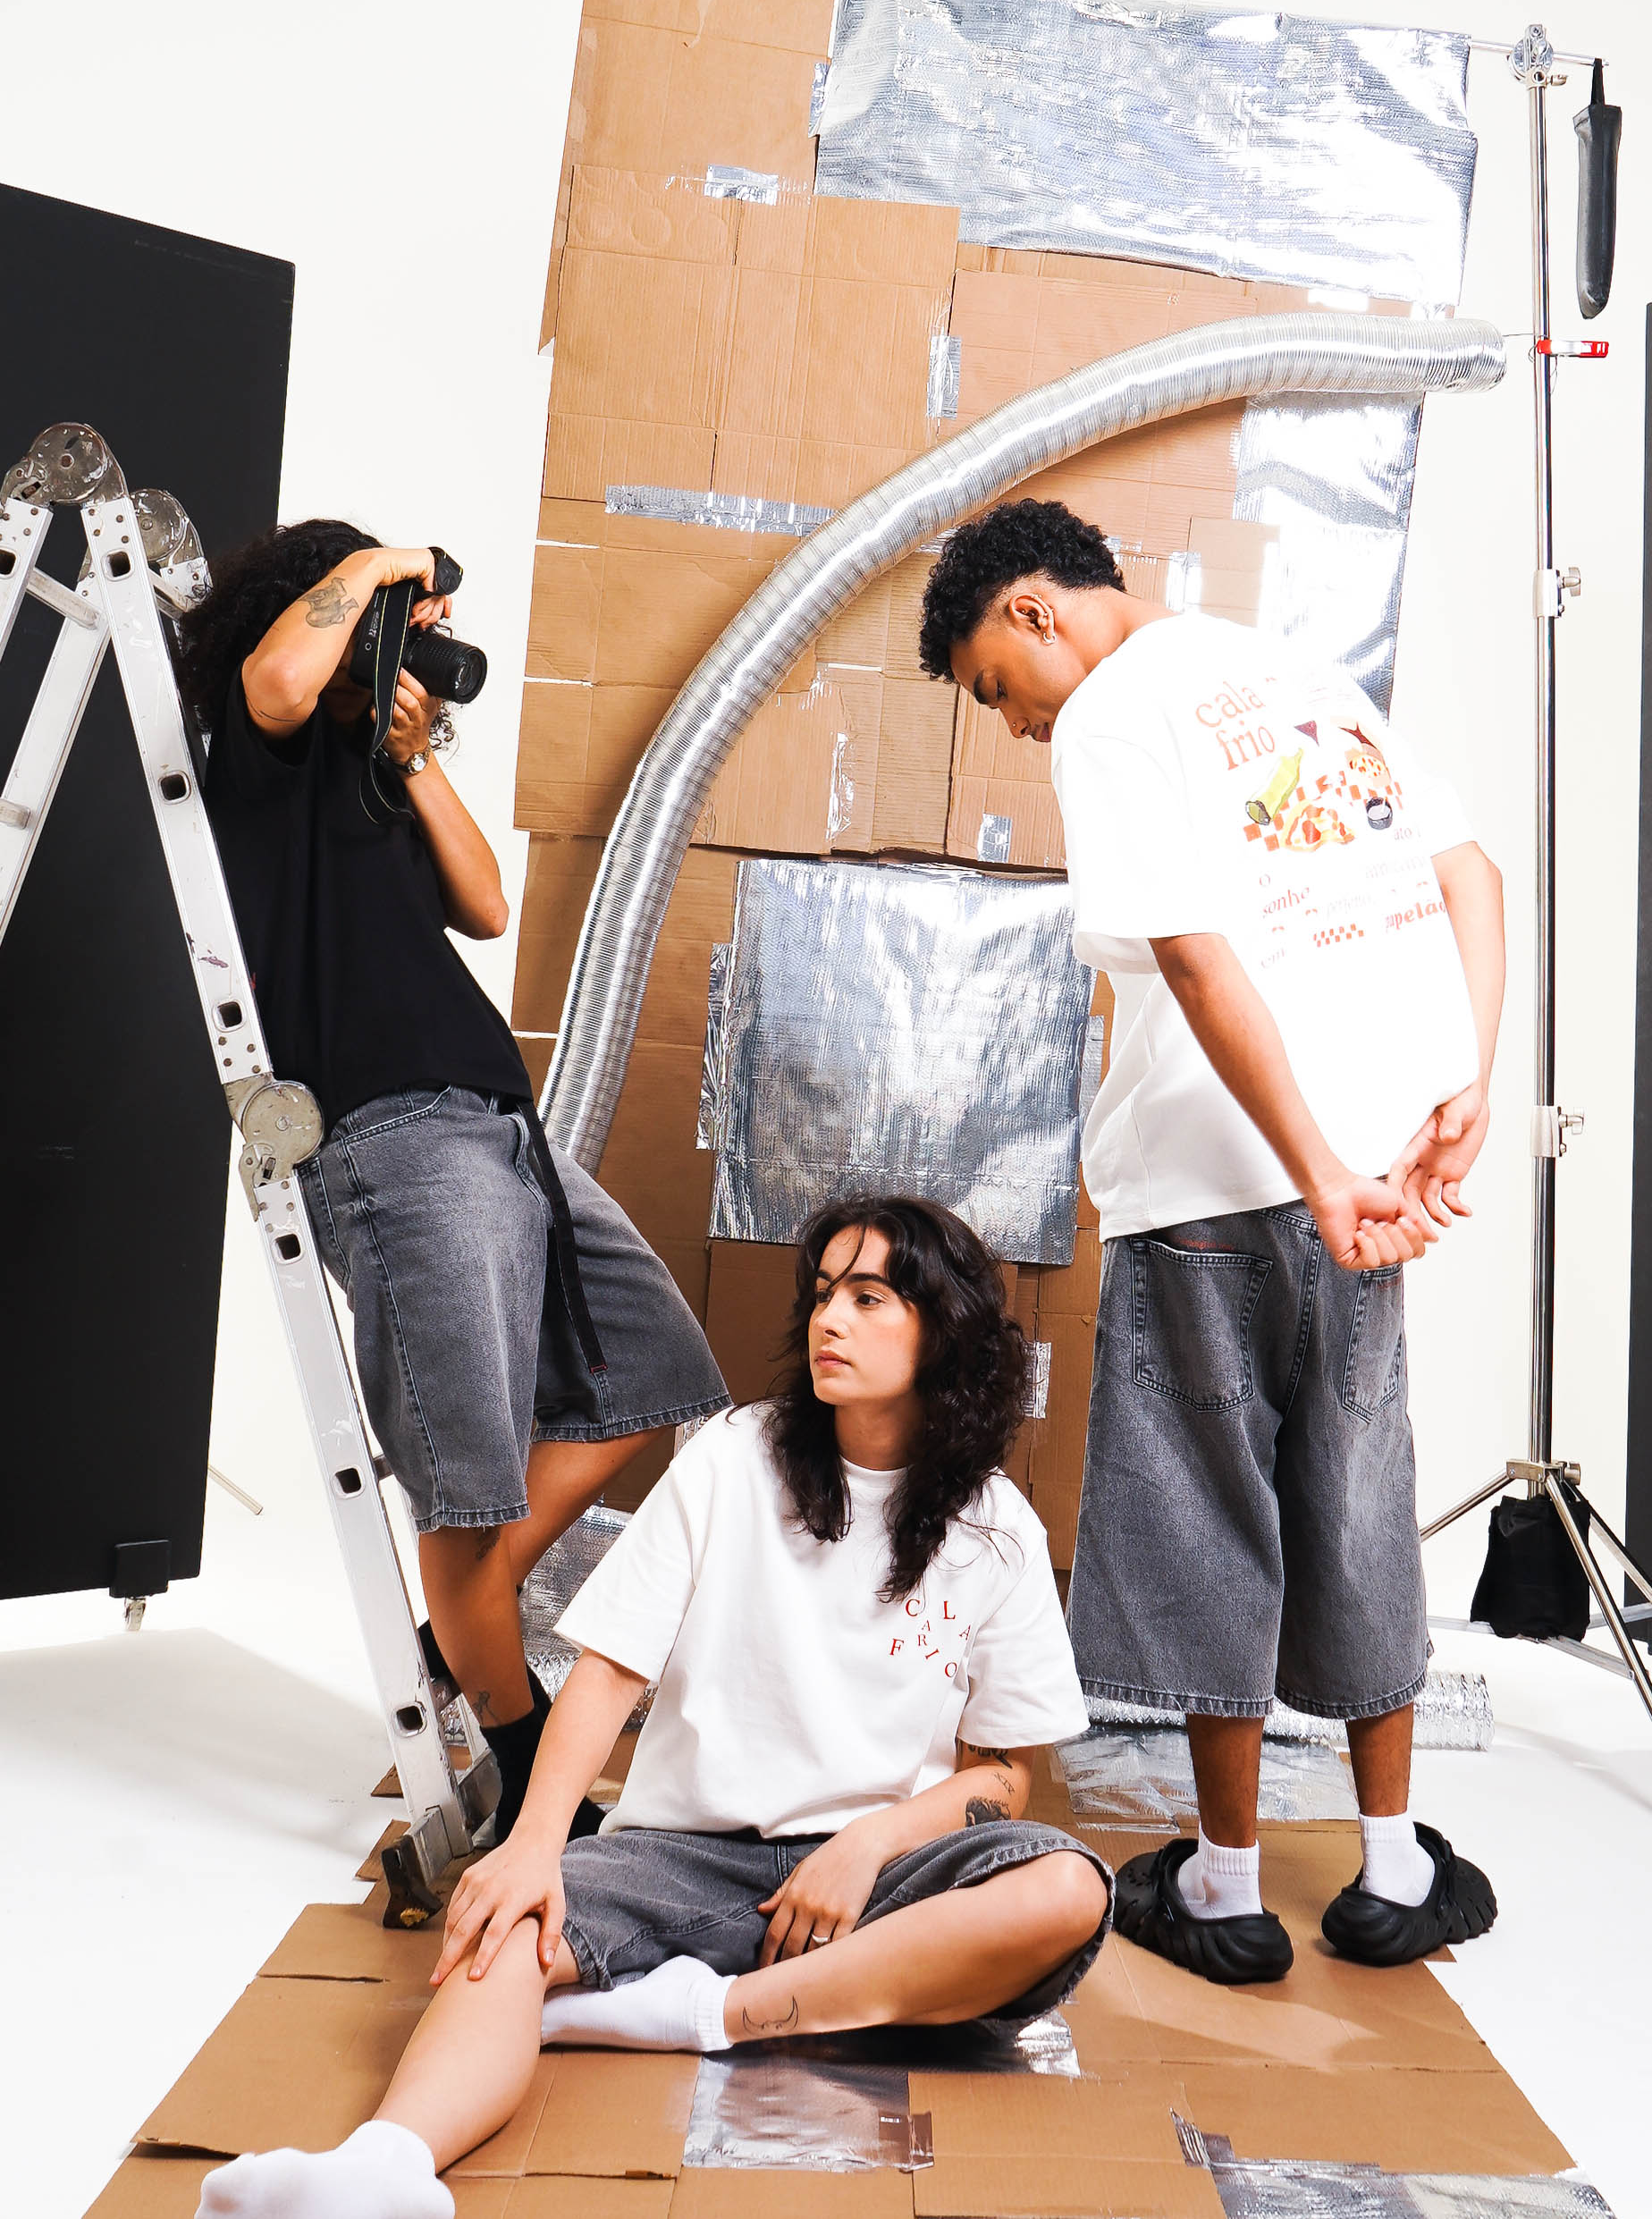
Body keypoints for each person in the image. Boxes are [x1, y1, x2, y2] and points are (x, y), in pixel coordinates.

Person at [195, 1195, 1109, 2219]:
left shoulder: (997, 1528)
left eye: (867, 1297)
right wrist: (535, 1844)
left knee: (1067, 1887)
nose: (828, 1319)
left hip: (874, 1875)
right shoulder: (735, 1454)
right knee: (509, 1925)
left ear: (945, 1326)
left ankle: (702, 2011)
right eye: (821, 1294)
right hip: (684, 1852)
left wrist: (867, 1843)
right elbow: (611, 1668)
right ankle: (382, 2166)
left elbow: (1004, 1775)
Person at [918, 498, 1504, 1984]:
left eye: (995, 685)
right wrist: (1463, 1086)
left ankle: (1227, 1889)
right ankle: (1393, 1870)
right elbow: (1470, 877)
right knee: (1357, 1497)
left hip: (1216, 1186)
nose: (1014, 722)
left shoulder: (1111, 714)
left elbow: (1191, 953)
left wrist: (1306, 1169)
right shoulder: (1297, 677)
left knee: (1201, 1513)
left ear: (1034, 609)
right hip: (1367, 1181)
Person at [178, 521, 729, 1838]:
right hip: (393, 1143)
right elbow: (277, 680)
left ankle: (456, 1629)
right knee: (467, 1494)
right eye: (398, 636)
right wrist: (381, 565)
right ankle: (524, 1776)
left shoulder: (374, 776)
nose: (415, 655)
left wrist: (414, 757)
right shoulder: (257, 760)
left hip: (501, 1129)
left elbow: (484, 906)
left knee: (655, 1376)